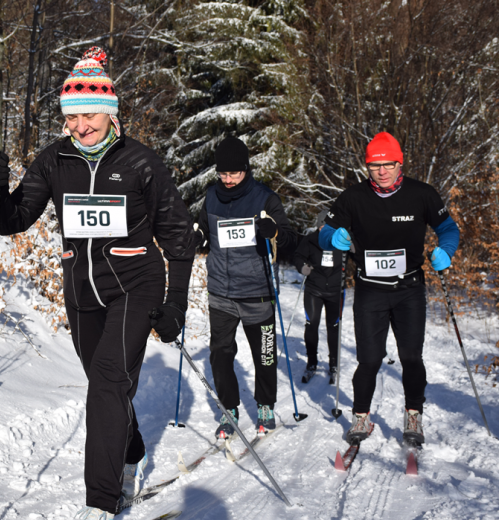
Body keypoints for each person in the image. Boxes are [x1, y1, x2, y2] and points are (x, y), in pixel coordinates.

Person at [0, 48, 196, 520]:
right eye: (72, 117)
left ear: (111, 111)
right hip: (82, 292)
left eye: (90, 114)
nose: (80, 126)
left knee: (106, 384)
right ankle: (131, 450)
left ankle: (101, 501)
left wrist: (175, 303)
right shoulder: (54, 161)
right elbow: (13, 219)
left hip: (136, 284)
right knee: (108, 386)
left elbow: (179, 239)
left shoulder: (141, 163)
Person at [319, 131, 460, 446]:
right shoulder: (352, 197)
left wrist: (445, 250)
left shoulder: (422, 194)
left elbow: (448, 228)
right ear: (367, 166)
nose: (381, 171)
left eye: (388, 164)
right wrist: (333, 238)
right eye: (374, 165)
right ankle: (361, 417)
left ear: (400, 163)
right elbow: (324, 231)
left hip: (409, 289)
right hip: (370, 290)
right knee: (369, 359)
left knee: (411, 357)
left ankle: (413, 415)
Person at [194, 136, 296, 440]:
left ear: (246, 169)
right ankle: (230, 409)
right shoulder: (211, 196)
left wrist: (274, 231)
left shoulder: (265, 198)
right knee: (219, 354)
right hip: (221, 293)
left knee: (264, 355)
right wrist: (198, 239)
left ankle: (265, 406)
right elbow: (203, 232)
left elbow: (288, 238)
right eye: (223, 174)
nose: (228, 180)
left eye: (234, 174)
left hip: (257, 292)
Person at [294, 209, 344, 384]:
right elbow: (298, 256)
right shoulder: (309, 240)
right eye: (323, 226)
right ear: (318, 226)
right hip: (314, 289)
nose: (325, 229)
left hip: (336, 290)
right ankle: (312, 363)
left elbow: (358, 254)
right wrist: (302, 267)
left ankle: (333, 364)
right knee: (311, 325)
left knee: (334, 326)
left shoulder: (341, 240)